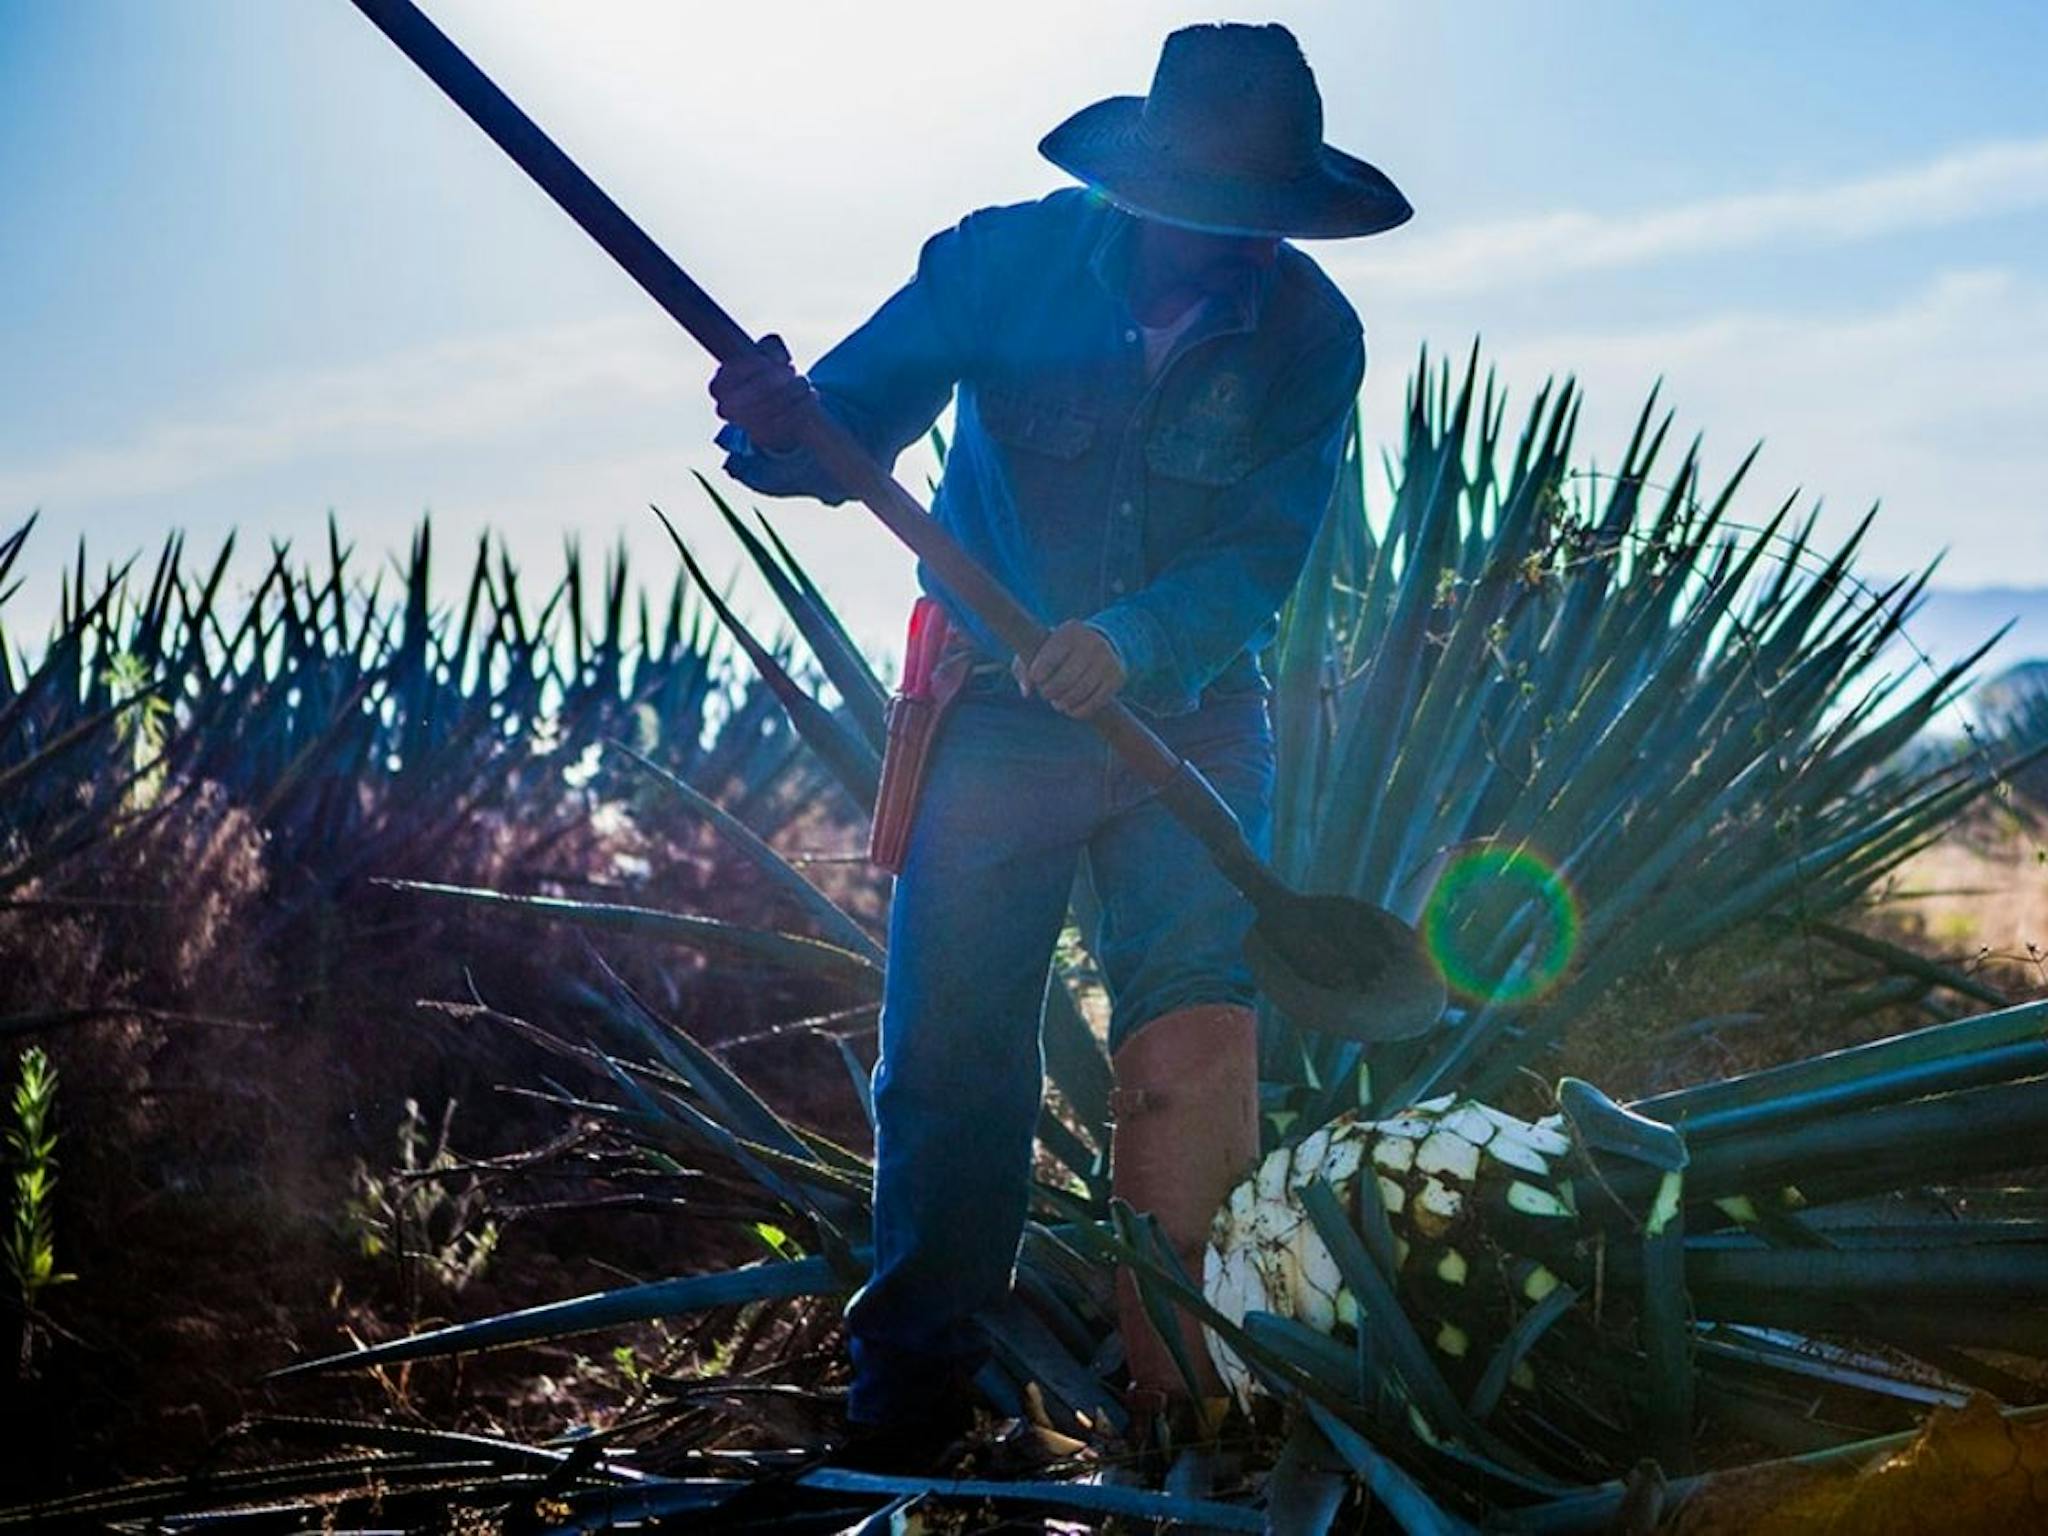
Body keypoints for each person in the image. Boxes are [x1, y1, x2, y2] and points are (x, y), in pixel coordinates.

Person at [709, 21, 1411, 1464]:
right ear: (1144, 187)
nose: (1243, 250)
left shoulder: (1310, 331)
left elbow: (1267, 556)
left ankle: (1194, 1414)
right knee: (955, 1070)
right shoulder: (1000, 264)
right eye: (1221, 219)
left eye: (1265, 224)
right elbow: (842, 425)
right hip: (991, 727)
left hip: (1196, 723)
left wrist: (1136, 641)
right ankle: (905, 1423)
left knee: (1192, 1047)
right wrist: (785, 424)